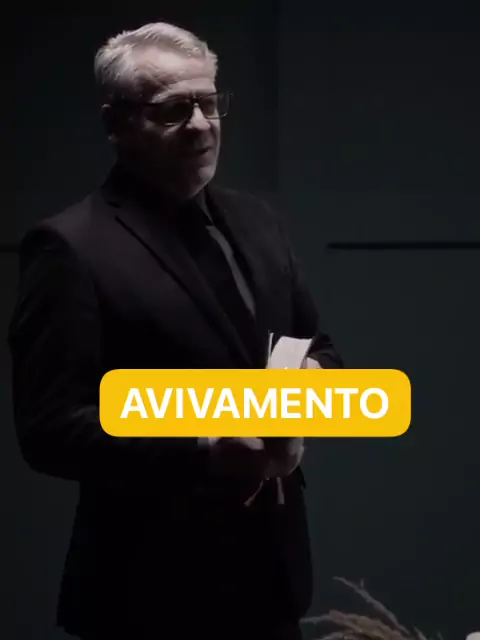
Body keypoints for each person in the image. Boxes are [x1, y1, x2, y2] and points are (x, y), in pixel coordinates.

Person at [7, 21, 343, 640]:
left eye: (209, 103)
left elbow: (318, 346)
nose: (200, 125)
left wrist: (310, 388)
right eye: (172, 110)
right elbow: (50, 429)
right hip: (147, 596)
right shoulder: (68, 247)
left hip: (273, 583)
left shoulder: (258, 222)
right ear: (116, 123)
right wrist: (204, 447)